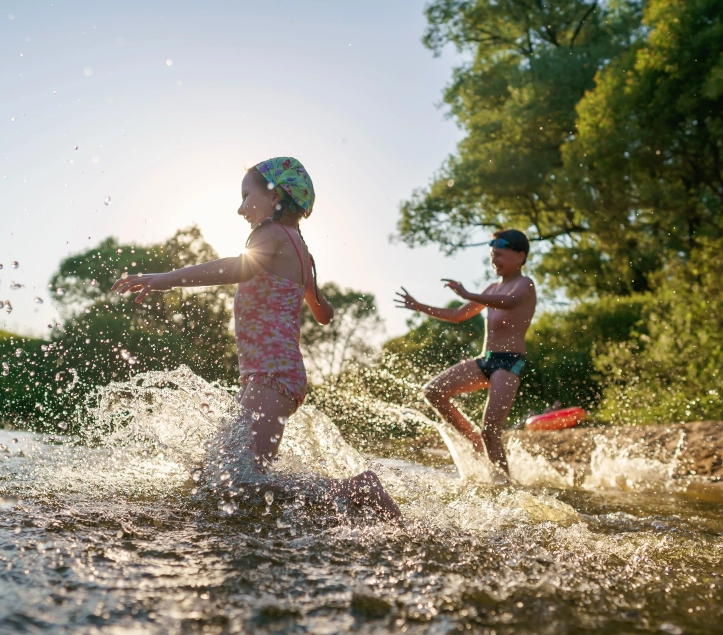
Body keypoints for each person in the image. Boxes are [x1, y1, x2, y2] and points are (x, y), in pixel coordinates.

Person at [112, 157, 401, 518]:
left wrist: (164, 278)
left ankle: (356, 489)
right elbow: (323, 313)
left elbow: (238, 266)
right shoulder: (302, 250)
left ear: (275, 195)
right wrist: (310, 288)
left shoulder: (270, 234)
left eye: (247, 196)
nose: (240, 208)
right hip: (271, 374)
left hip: (273, 375)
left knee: (242, 481)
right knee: (214, 475)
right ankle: (336, 499)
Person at [395, 229, 536, 476]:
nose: (494, 261)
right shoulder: (492, 288)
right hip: (486, 360)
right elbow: (459, 315)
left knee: (491, 430)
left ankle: (505, 486)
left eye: (500, 255)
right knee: (433, 391)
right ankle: (472, 437)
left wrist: (468, 293)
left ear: (520, 256)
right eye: (493, 256)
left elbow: (511, 302)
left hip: (509, 363)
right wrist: (419, 306)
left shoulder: (525, 285)